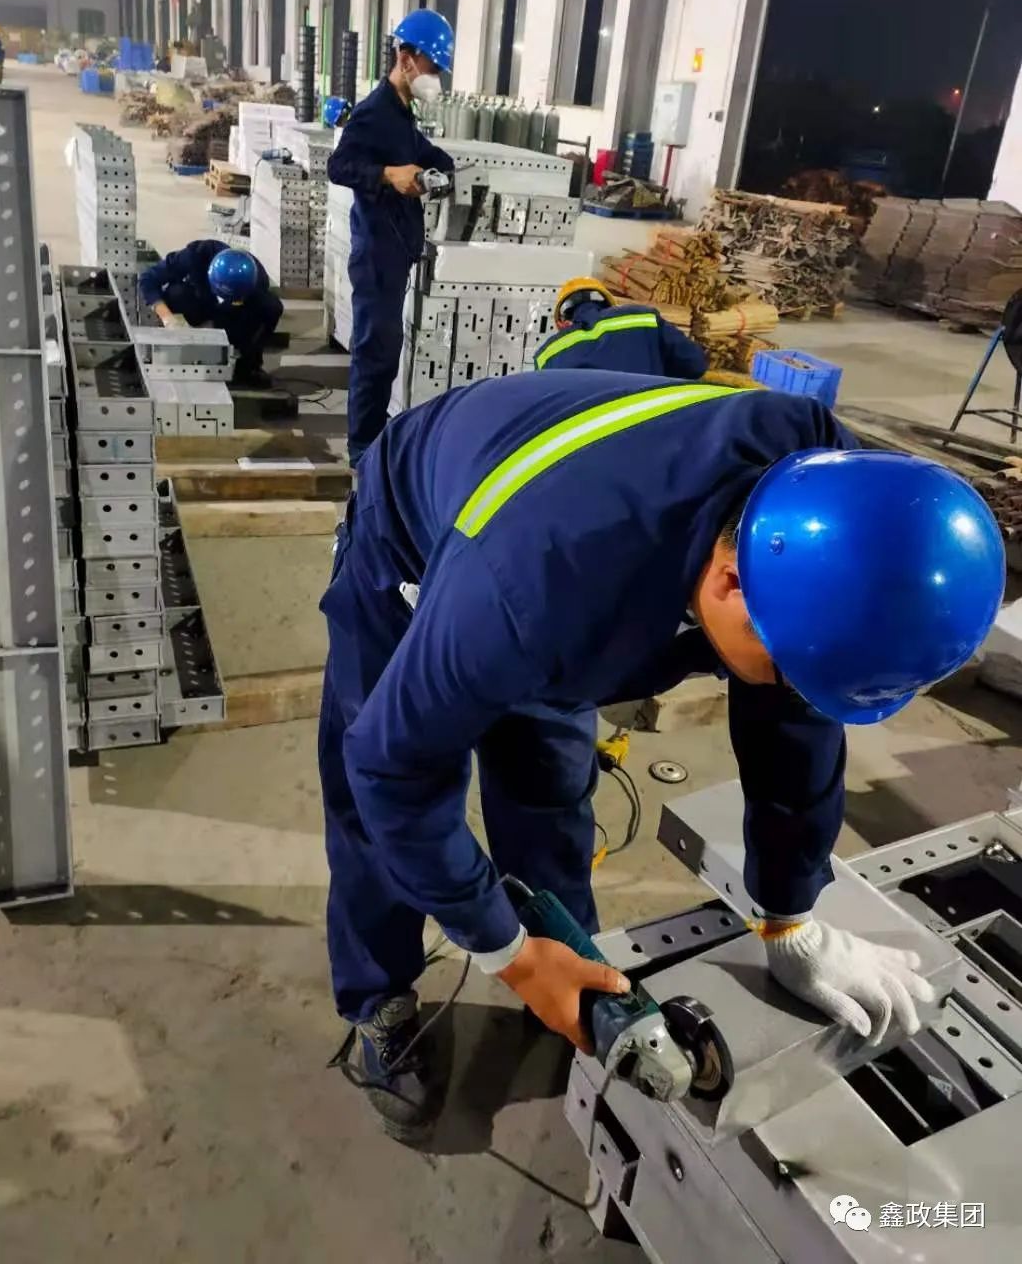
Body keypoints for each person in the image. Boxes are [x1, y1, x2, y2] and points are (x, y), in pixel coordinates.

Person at [318, 368, 1004, 1141]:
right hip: (413, 540)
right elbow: (393, 772)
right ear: (731, 579)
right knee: (376, 798)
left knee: (548, 784)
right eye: (788, 670)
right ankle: (380, 998)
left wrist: (790, 917)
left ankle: (576, 968)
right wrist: (504, 950)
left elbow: (796, 724)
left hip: (566, 556)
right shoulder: (532, 585)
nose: (792, 692)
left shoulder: (832, 504)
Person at [327, 9, 456, 468]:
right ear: (406, 58)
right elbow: (338, 166)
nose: (435, 78)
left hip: (395, 247)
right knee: (374, 349)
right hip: (377, 250)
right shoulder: (374, 112)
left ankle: (373, 433)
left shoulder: (402, 115)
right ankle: (362, 448)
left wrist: (448, 167)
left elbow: (420, 150)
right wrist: (386, 174)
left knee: (386, 348)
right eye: (432, 67)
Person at [138, 242, 283, 388]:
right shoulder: (194, 256)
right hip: (198, 306)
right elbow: (148, 280)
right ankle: (175, 348)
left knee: (272, 307)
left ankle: (247, 368)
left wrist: (244, 347)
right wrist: (168, 318)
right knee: (176, 293)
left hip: (230, 315)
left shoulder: (258, 280)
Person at [534, 276, 707, 379]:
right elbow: (696, 364)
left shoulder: (547, 356)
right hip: (654, 422)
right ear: (610, 306)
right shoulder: (643, 318)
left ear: (562, 323)